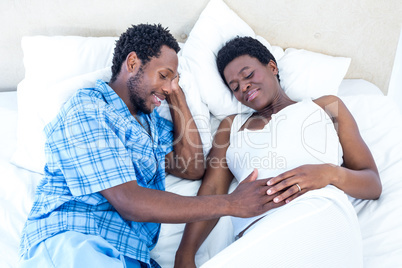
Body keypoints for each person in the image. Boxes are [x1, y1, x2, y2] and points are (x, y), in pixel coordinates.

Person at [18, 25, 277, 268]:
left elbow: (193, 168)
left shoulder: (150, 126)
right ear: (132, 63)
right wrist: (232, 203)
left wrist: (176, 93)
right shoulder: (89, 110)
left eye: (174, 79)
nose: (167, 87)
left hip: (131, 255)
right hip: (76, 240)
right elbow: (128, 201)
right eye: (163, 75)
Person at [174, 36, 382, 267]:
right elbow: (212, 190)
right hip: (256, 239)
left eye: (248, 75)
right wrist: (185, 254)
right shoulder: (231, 127)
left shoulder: (325, 107)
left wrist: (330, 173)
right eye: (234, 87)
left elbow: (372, 184)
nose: (243, 86)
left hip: (318, 218)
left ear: (272, 67)